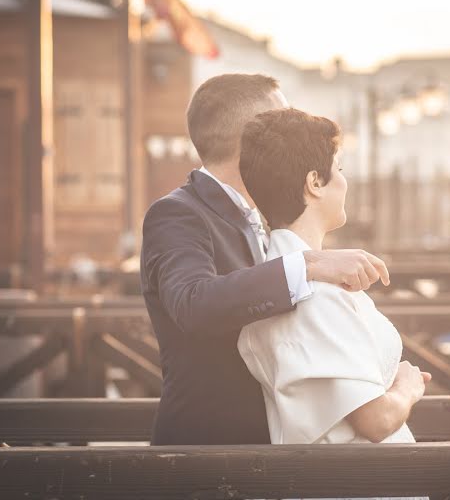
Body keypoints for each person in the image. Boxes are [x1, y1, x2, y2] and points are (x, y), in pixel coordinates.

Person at [140, 74, 393, 445]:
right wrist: (307, 265)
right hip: (205, 457)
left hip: (270, 453)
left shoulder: (261, 216)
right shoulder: (178, 213)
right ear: (252, 132)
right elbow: (192, 303)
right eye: (281, 116)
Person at [237, 107, 431, 456]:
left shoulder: (279, 282)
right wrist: (407, 387)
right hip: (355, 483)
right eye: (338, 170)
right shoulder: (315, 294)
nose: (344, 181)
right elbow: (375, 419)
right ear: (314, 183)